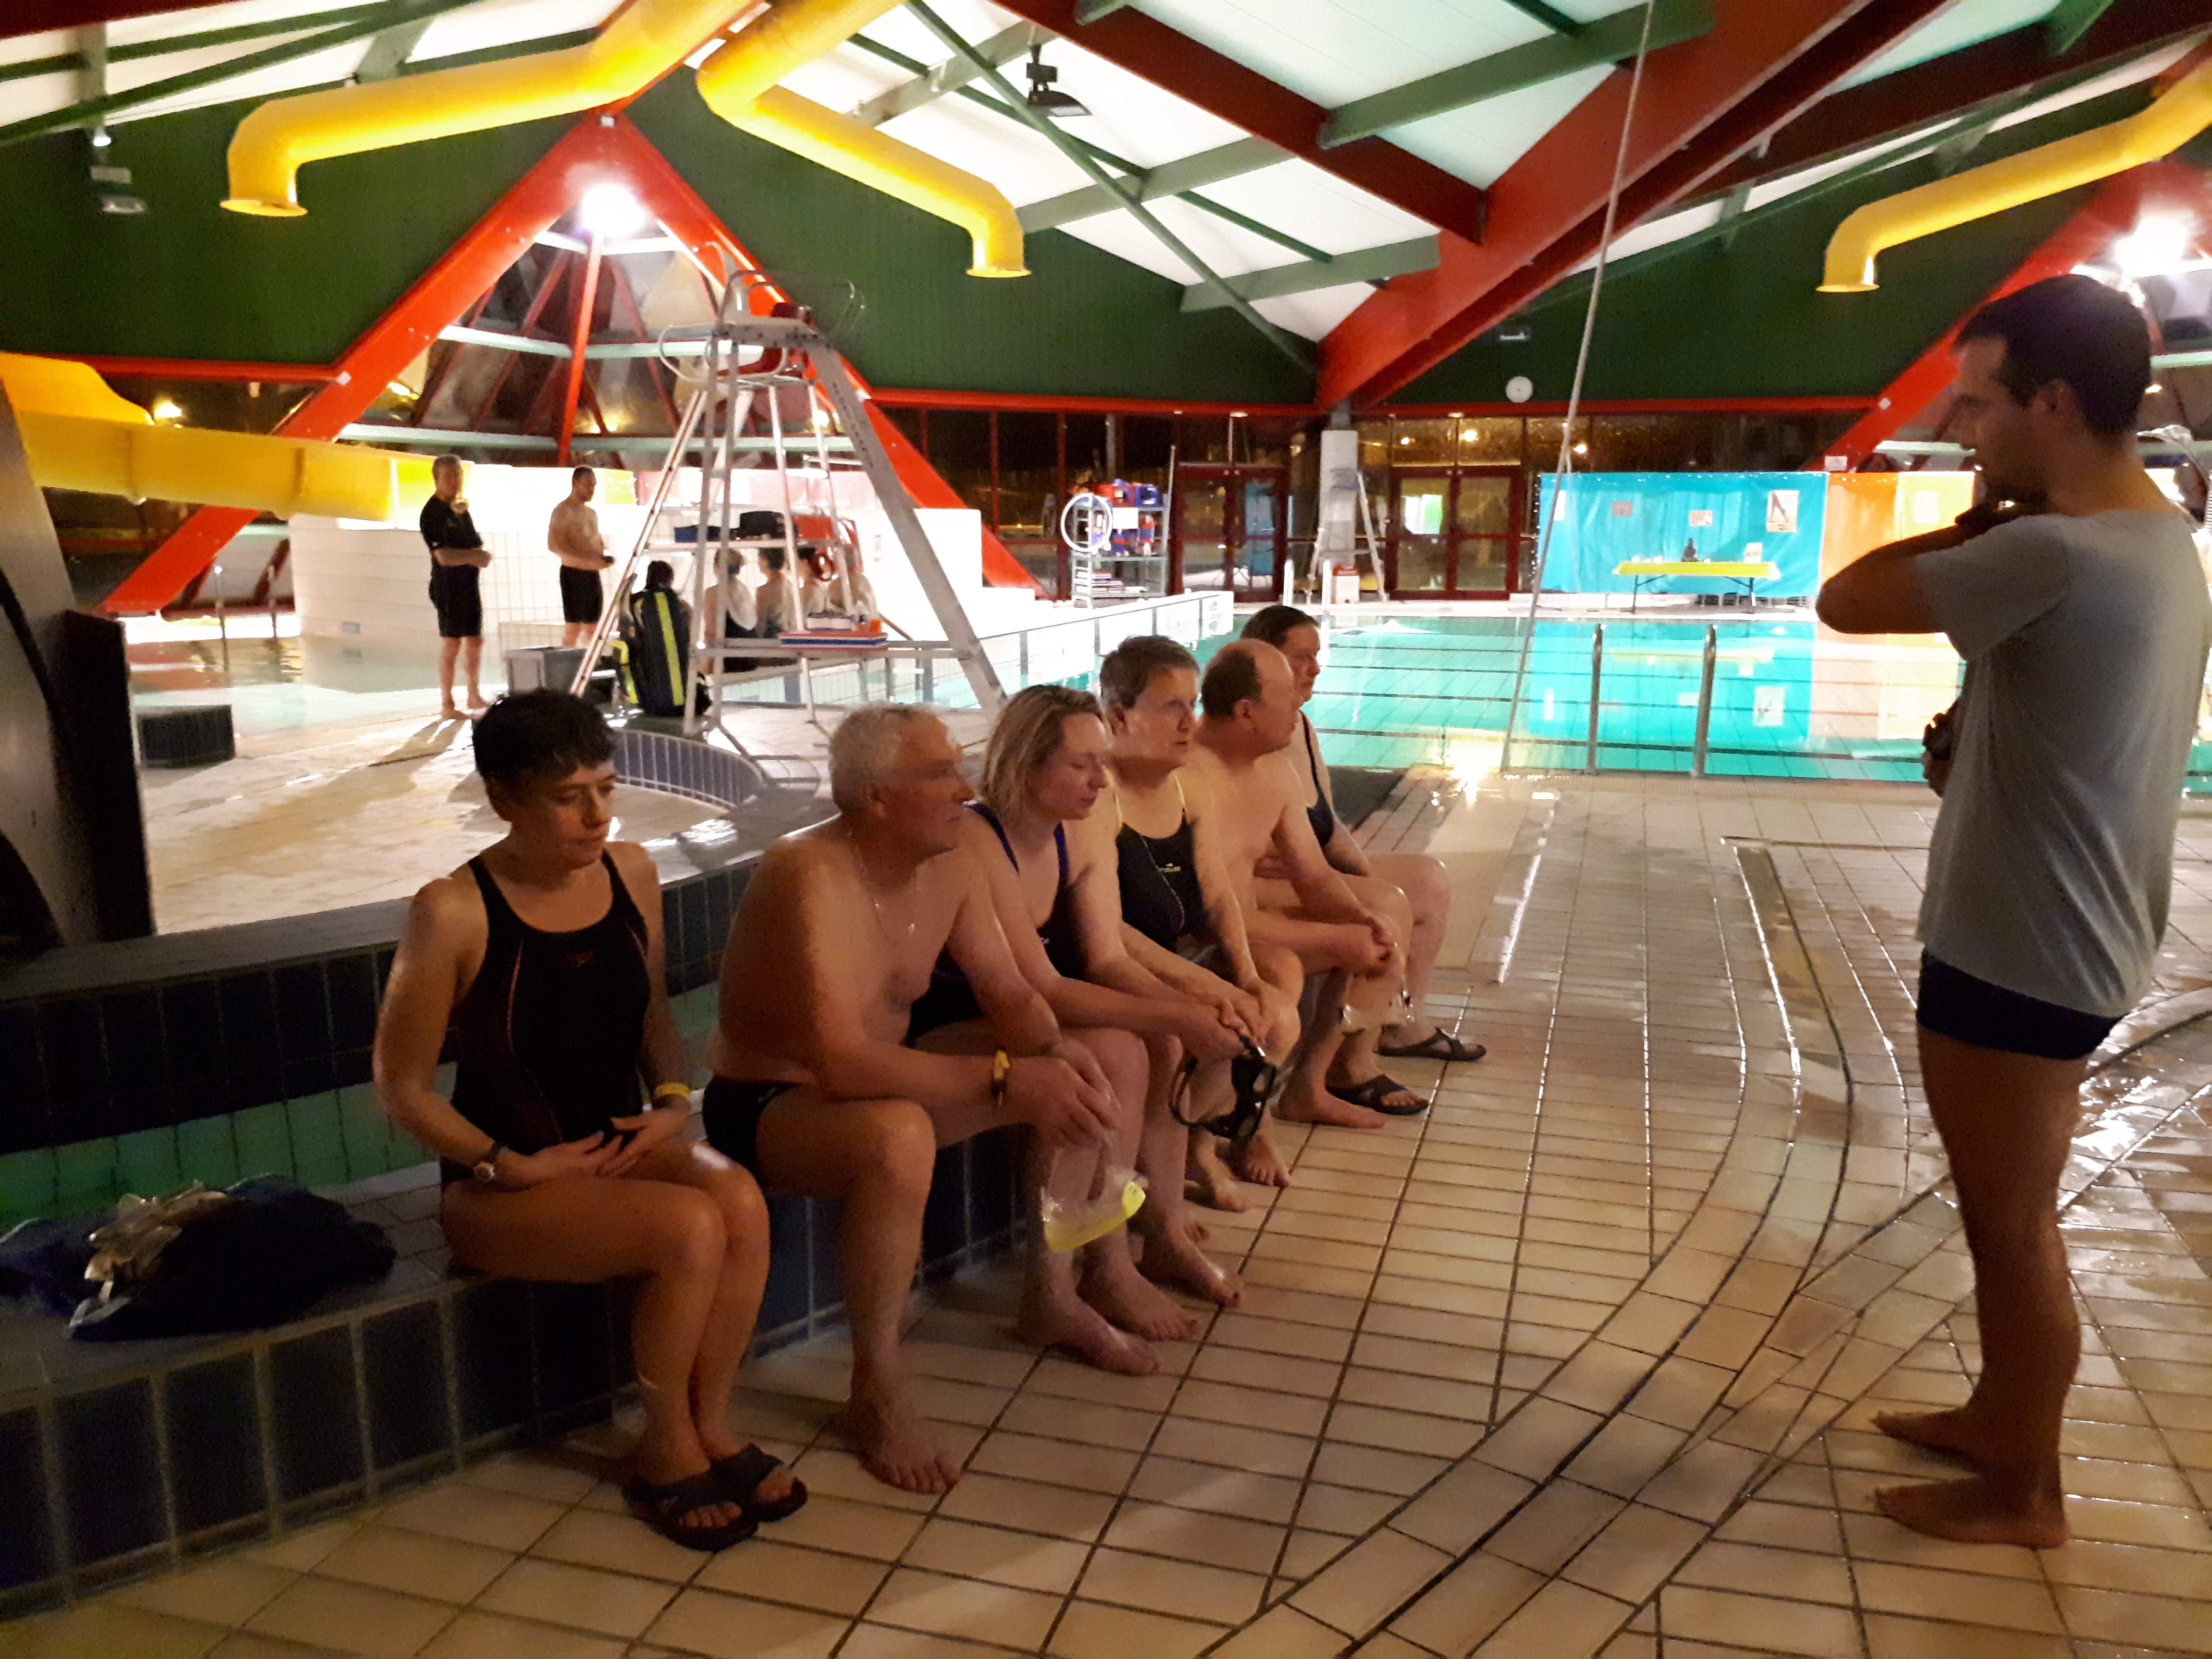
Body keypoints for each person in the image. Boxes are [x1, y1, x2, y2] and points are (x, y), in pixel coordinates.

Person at [1817, 274, 2212, 1549]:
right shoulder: (2160, 542)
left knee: (2012, 1223)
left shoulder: (2053, 548)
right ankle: (2000, 1417)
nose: (1961, 427)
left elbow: (1845, 599)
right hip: (2085, 926)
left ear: (2053, 404)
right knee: (2011, 1212)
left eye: (1979, 403)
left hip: (2022, 945)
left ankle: (2025, 1492)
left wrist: (1980, 518)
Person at [372, 690, 798, 1551]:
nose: (598, 815)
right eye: (568, 798)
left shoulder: (630, 872)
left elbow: (650, 1015)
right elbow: (400, 1088)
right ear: (504, 800)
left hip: (614, 1148)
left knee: (740, 1203)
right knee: (688, 1228)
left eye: (605, 789)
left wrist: (671, 1105)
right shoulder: (452, 911)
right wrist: (507, 1163)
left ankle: (711, 1423)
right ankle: (664, 1447)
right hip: (501, 1187)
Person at [702, 705, 1127, 1493]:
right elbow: (839, 1063)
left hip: (879, 1082)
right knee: (899, 1135)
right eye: (939, 774)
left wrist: (1052, 1054)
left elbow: (1008, 992)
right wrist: (1005, 1078)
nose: (965, 788)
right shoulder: (808, 872)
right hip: (773, 1101)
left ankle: (1056, 1293)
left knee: (1085, 1061)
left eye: (959, 768)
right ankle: (876, 1387)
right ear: (875, 797)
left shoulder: (951, 861)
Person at [954, 685, 1254, 1307]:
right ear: (1026, 765)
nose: (1100, 780)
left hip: (1033, 1009)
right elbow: (1038, 987)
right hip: (966, 1016)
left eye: (1102, 761)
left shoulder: (1082, 828)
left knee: (1162, 1042)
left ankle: (1163, 1230)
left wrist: (1193, 1009)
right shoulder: (977, 839)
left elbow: (1108, 958)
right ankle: (1078, 1276)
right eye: (1081, 765)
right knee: (1115, 1054)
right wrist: (1181, 1012)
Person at [1097, 636, 1303, 1205]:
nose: (1191, 723)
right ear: (1119, 718)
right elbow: (1109, 933)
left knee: (1275, 1004)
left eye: (1192, 705)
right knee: (1212, 1022)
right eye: (1173, 708)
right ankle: (1165, 1178)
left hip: (1180, 955)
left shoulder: (1189, 786)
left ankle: (1204, 1144)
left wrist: (1246, 975)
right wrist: (1212, 988)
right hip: (1120, 968)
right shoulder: (1100, 797)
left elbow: (1217, 895)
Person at [1241, 604, 1483, 1067]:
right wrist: (1356, 886)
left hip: (1308, 873)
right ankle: (1351, 1063)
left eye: (1316, 657)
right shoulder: (1251, 736)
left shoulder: (1300, 726)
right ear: (1264, 664)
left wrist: (1363, 872)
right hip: (1267, 887)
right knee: (1386, 903)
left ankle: (1405, 1025)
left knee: (1428, 880)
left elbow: (1328, 825)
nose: (1314, 669)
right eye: (1300, 658)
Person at [1194, 643, 1419, 1133]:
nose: (1300, 703)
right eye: (1286, 696)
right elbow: (1207, 912)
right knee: (1291, 964)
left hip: (1248, 929)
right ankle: (1241, 1130)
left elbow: (1314, 877)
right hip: (1201, 935)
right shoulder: (1190, 776)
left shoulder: (1275, 771)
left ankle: (1308, 1086)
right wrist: (1340, 937)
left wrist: (1361, 920)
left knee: (1368, 934)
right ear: (1246, 711)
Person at [420, 455, 489, 721]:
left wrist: (478, 555)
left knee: (475, 640)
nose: (455, 482)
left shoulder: (460, 510)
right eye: (449, 477)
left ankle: (473, 695)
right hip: (447, 586)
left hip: (468, 584)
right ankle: (447, 704)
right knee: (452, 643)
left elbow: (474, 543)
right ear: (436, 479)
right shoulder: (432, 513)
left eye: (458, 476)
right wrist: (474, 557)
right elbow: (443, 557)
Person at [550, 466, 614, 650]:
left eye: (594, 485)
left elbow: (596, 543)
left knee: (593, 628)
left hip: (592, 575)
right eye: (588, 485)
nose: (592, 490)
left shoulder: (591, 514)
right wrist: (585, 561)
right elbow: (555, 546)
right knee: (575, 628)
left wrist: (603, 558)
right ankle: (567, 663)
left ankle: (594, 662)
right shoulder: (563, 511)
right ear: (576, 483)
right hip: (573, 574)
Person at [623, 560, 691, 718]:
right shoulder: (678, 603)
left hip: (648, 677)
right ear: (670, 579)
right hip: (680, 682)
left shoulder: (637, 601)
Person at [755, 544, 800, 637]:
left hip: (774, 639)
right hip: (793, 636)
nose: (757, 562)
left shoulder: (764, 591)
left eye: (759, 558)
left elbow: (760, 625)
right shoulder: (791, 586)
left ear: (766, 561)